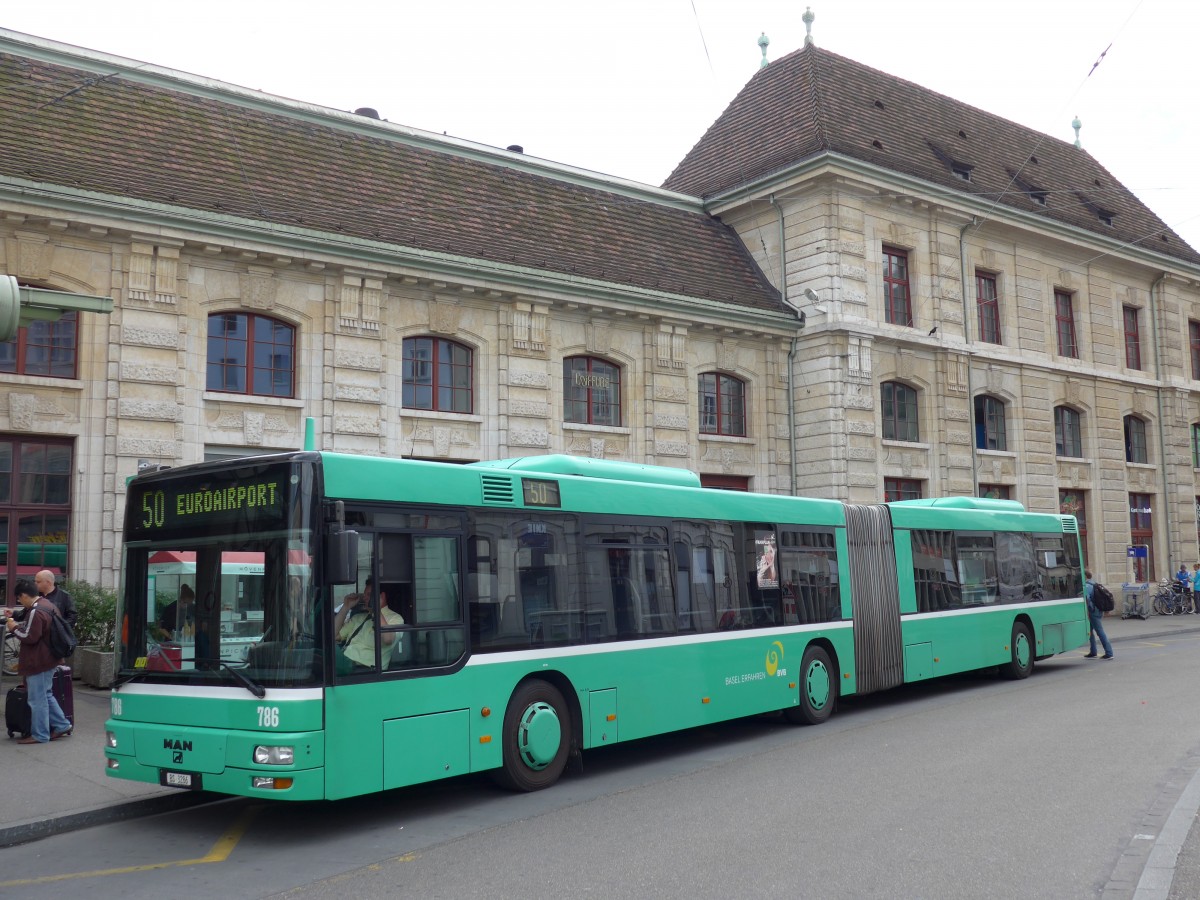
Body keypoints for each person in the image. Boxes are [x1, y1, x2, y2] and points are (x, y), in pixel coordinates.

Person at [4, 579, 72, 744]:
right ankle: (62, 725)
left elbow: (29, 637)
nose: (20, 602)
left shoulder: (36, 611)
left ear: (24, 595)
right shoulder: (48, 604)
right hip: (50, 658)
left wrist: (13, 627)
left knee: (37, 699)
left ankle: (40, 734)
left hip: (38, 661)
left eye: (19, 599)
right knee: (46, 695)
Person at [333, 577, 404, 669]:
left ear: (381, 597)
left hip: (366, 669)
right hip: (345, 662)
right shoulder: (358, 617)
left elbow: (388, 639)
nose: (364, 597)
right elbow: (333, 635)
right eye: (365, 594)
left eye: (369, 595)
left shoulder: (395, 619)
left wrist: (376, 609)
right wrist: (346, 607)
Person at [1083, 570, 1114, 660]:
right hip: (1098, 610)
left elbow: (1087, 599)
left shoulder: (1087, 586)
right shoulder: (1095, 584)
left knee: (1100, 631)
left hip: (1093, 612)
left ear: (1085, 576)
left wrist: (1089, 611)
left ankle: (1109, 653)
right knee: (1090, 632)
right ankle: (1093, 652)